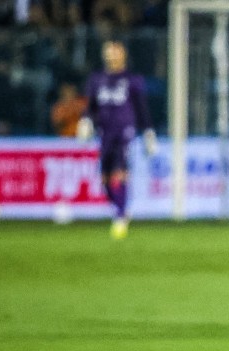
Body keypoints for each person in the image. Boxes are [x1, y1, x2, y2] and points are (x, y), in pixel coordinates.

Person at [77, 40, 156, 240]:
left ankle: (120, 217)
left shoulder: (132, 80)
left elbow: (141, 107)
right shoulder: (97, 80)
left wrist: (148, 131)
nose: (112, 55)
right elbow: (91, 106)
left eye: (116, 51)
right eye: (109, 52)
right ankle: (121, 209)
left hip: (124, 131)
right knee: (104, 179)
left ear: (123, 55)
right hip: (105, 132)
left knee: (119, 174)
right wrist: (86, 121)